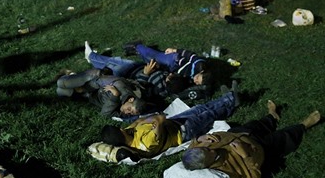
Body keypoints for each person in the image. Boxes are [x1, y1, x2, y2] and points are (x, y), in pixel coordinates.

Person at [181, 100, 321, 178]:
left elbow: (192, 146)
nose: (211, 148)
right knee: (284, 137)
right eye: (209, 152)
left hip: (240, 132)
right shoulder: (227, 172)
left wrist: (199, 139)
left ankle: (272, 115)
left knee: (259, 124)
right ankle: (304, 125)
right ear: (207, 165)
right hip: (260, 148)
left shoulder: (194, 152)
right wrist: (245, 156)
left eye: (205, 147)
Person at [100, 83, 240, 162]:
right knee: (208, 114)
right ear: (121, 132)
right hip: (182, 130)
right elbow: (160, 118)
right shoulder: (146, 143)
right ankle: (232, 99)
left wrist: (153, 120)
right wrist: (155, 119)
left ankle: (227, 100)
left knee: (199, 109)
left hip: (174, 124)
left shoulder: (130, 132)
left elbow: (143, 120)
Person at [85, 41, 211, 101]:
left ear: (168, 81)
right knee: (120, 61)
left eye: (170, 76)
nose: (171, 73)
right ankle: (137, 48)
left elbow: (140, 88)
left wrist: (146, 73)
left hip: (132, 73)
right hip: (141, 67)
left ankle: (91, 57)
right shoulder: (177, 78)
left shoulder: (158, 88)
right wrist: (156, 68)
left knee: (116, 63)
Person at [56, 68, 161, 118]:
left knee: (61, 91)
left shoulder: (123, 112)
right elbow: (99, 81)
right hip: (94, 79)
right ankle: (70, 76)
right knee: (60, 83)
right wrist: (84, 88)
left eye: (131, 113)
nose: (127, 112)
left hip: (90, 95)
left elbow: (104, 114)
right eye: (129, 109)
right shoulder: (121, 86)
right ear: (130, 99)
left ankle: (71, 74)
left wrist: (115, 97)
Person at [124, 42, 212, 87]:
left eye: (197, 83)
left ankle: (139, 51)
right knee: (153, 56)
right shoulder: (199, 64)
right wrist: (175, 50)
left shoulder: (193, 78)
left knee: (150, 63)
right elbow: (191, 55)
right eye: (197, 79)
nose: (195, 81)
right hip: (173, 60)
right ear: (202, 72)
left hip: (171, 69)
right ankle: (137, 46)